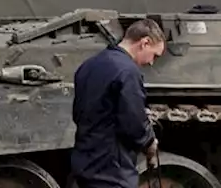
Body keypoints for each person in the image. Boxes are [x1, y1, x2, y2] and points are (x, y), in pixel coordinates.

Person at [69, 18, 165, 188]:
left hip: (85, 163)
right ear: (145, 42)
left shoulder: (88, 65)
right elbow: (133, 122)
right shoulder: (127, 72)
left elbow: (78, 113)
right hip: (112, 170)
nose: (151, 62)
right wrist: (150, 141)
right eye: (154, 55)